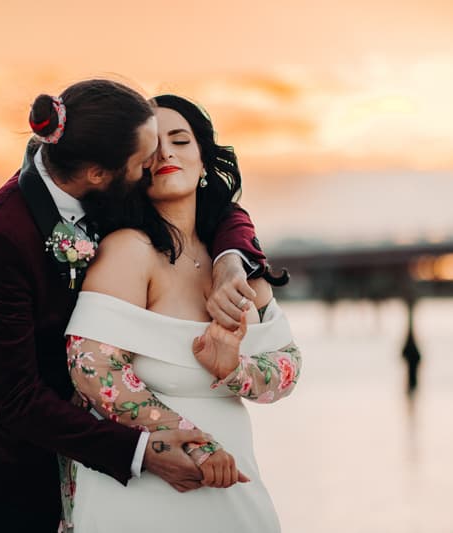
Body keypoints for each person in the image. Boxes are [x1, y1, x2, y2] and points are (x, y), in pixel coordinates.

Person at [0, 80, 268, 533]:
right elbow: (16, 398)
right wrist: (143, 452)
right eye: (144, 160)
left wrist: (229, 261)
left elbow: (219, 207)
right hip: (24, 476)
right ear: (99, 176)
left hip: (132, 472)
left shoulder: (103, 161)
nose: (157, 164)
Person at [62, 94, 302, 532]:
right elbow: (92, 369)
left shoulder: (236, 266)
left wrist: (234, 369)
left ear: (204, 159)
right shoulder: (128, 252)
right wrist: (194, 444)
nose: (167, 153)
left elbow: (286, 372)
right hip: (143, 495)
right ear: (134, 167)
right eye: (152, 147)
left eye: (180, 140)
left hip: (234, 490)